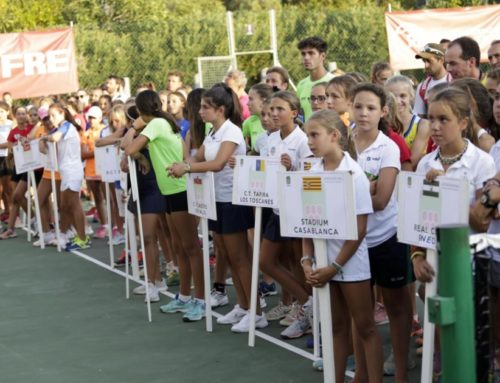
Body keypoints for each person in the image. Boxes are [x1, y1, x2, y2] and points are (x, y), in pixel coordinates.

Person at [168, 83, 266, 332]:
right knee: (226, 253)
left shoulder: (231, 132)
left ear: (220, 109)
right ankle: (243, 307)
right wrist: (180, 165)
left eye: (205, 107)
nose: (200, 112)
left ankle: (257, 312)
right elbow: (198, 157)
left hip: (233, 200)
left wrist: (187, 168)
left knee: (239, 257)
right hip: (216, 201)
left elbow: (219, 163)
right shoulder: (213, 132)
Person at [302, 109, 383, 383]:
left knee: (365, 328)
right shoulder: (311, 171)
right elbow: (306, 222)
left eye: (315, 135)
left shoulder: (354, 174)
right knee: (335, 328)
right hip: (324, 262)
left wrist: (334, 267)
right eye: (307, 136)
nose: (310, 141)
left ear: (334, 135)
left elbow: (359, 230)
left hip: (350, 264)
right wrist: (306, 260)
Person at [124, 90, 205, 320]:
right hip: (169, 191)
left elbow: (129, 148)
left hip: (180, 190)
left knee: (190, 248)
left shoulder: (157, 124)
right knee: (180, 247)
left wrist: (133, 127)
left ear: (140, 111)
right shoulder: (164, 123)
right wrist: (142, 158)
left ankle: (199, 300)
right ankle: (184, 297)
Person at [351, 83, 413, 382]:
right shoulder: (343, 142)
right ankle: (362, 373)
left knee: (398, 309)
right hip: (353, 241)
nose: (363, 113)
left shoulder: (388, 147)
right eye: (358, 106)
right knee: (359, 314)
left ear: (383, 112)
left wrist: (357, 194)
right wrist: (367, 188)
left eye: (371, 108)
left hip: (387, 238)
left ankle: (401, 372)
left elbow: (381, 201)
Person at [257, 90, 314, 339]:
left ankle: (305, 309)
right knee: (266, 261)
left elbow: (312, 177)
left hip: (297, 209)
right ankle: (307, 304)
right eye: (271, 110)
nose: (274, 114)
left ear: (294, 112)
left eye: (280, 109)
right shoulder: (270, 139)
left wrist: (293, 169)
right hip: (277, 208)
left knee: (296, 261)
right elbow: (265, 170)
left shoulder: (303, 140)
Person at [41, 103, 90, 251]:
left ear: (62, 113)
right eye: (49, 116)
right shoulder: (60, 127)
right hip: (66, 172)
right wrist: (43, 140)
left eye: (53, 115)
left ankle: (82, 238)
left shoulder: (66, 126)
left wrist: (45, 138)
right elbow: (43, 148)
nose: (51, 119)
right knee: (66, 206)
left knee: (72, 205)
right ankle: (77, 236)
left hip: (72, 171)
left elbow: (54, 138)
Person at [0, 106, 35, 240]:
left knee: (41, 197)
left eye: (23, 113)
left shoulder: (32, 129)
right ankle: (11, 229)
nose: (21, 116)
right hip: (19, 167)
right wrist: (14, 148)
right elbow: (9, 154)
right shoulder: (13, 132)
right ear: (15, 116)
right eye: (19, 114)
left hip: (34, 167)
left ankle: (44, 222)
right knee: (15, 197)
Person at [386, 75, 431, 168]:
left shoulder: (422, 125)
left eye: (403, 96)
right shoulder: (381, 124)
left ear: (411, 96)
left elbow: (411, 162)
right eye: (393, 96)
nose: (398, 101)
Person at [82, 106, 108, 239]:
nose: (91, 120)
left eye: (93, 117)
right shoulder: (86, 134)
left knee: (110, 199)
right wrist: (98, 149)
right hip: (91, 171)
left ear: (99, 118)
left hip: (105, 170)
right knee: (98, 198)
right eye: (89, 117)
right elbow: (84, 154)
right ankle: (105, 225)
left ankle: (115, 225)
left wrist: (93, 151)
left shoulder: (105, 131)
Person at [296, 36, 334, 121]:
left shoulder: (334, 82)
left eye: (311, 53)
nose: (306, 57)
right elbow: (301, 116)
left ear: (323, 56)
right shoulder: (301, 85)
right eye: (303, 54)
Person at [413, 43, 452, 117]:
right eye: (424, 61)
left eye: (429, 61)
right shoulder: (422, 88)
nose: (426, 65)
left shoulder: (455, 82)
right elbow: (419, 119)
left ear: (441, 60)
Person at [242, 83, 273, 153]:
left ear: (263, 100)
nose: (247, 103)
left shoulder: (278, 120)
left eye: (251, 99)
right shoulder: (248, 122)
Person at [0, 101, 13, 222]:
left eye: (2, 112)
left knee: (9, 187)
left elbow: (11, 143)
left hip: (8, 158)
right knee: (1, 189)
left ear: (7, 112)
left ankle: (14, 213)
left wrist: (2, 145)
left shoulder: (11, 124)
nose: (0, 114)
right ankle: (7, 211)